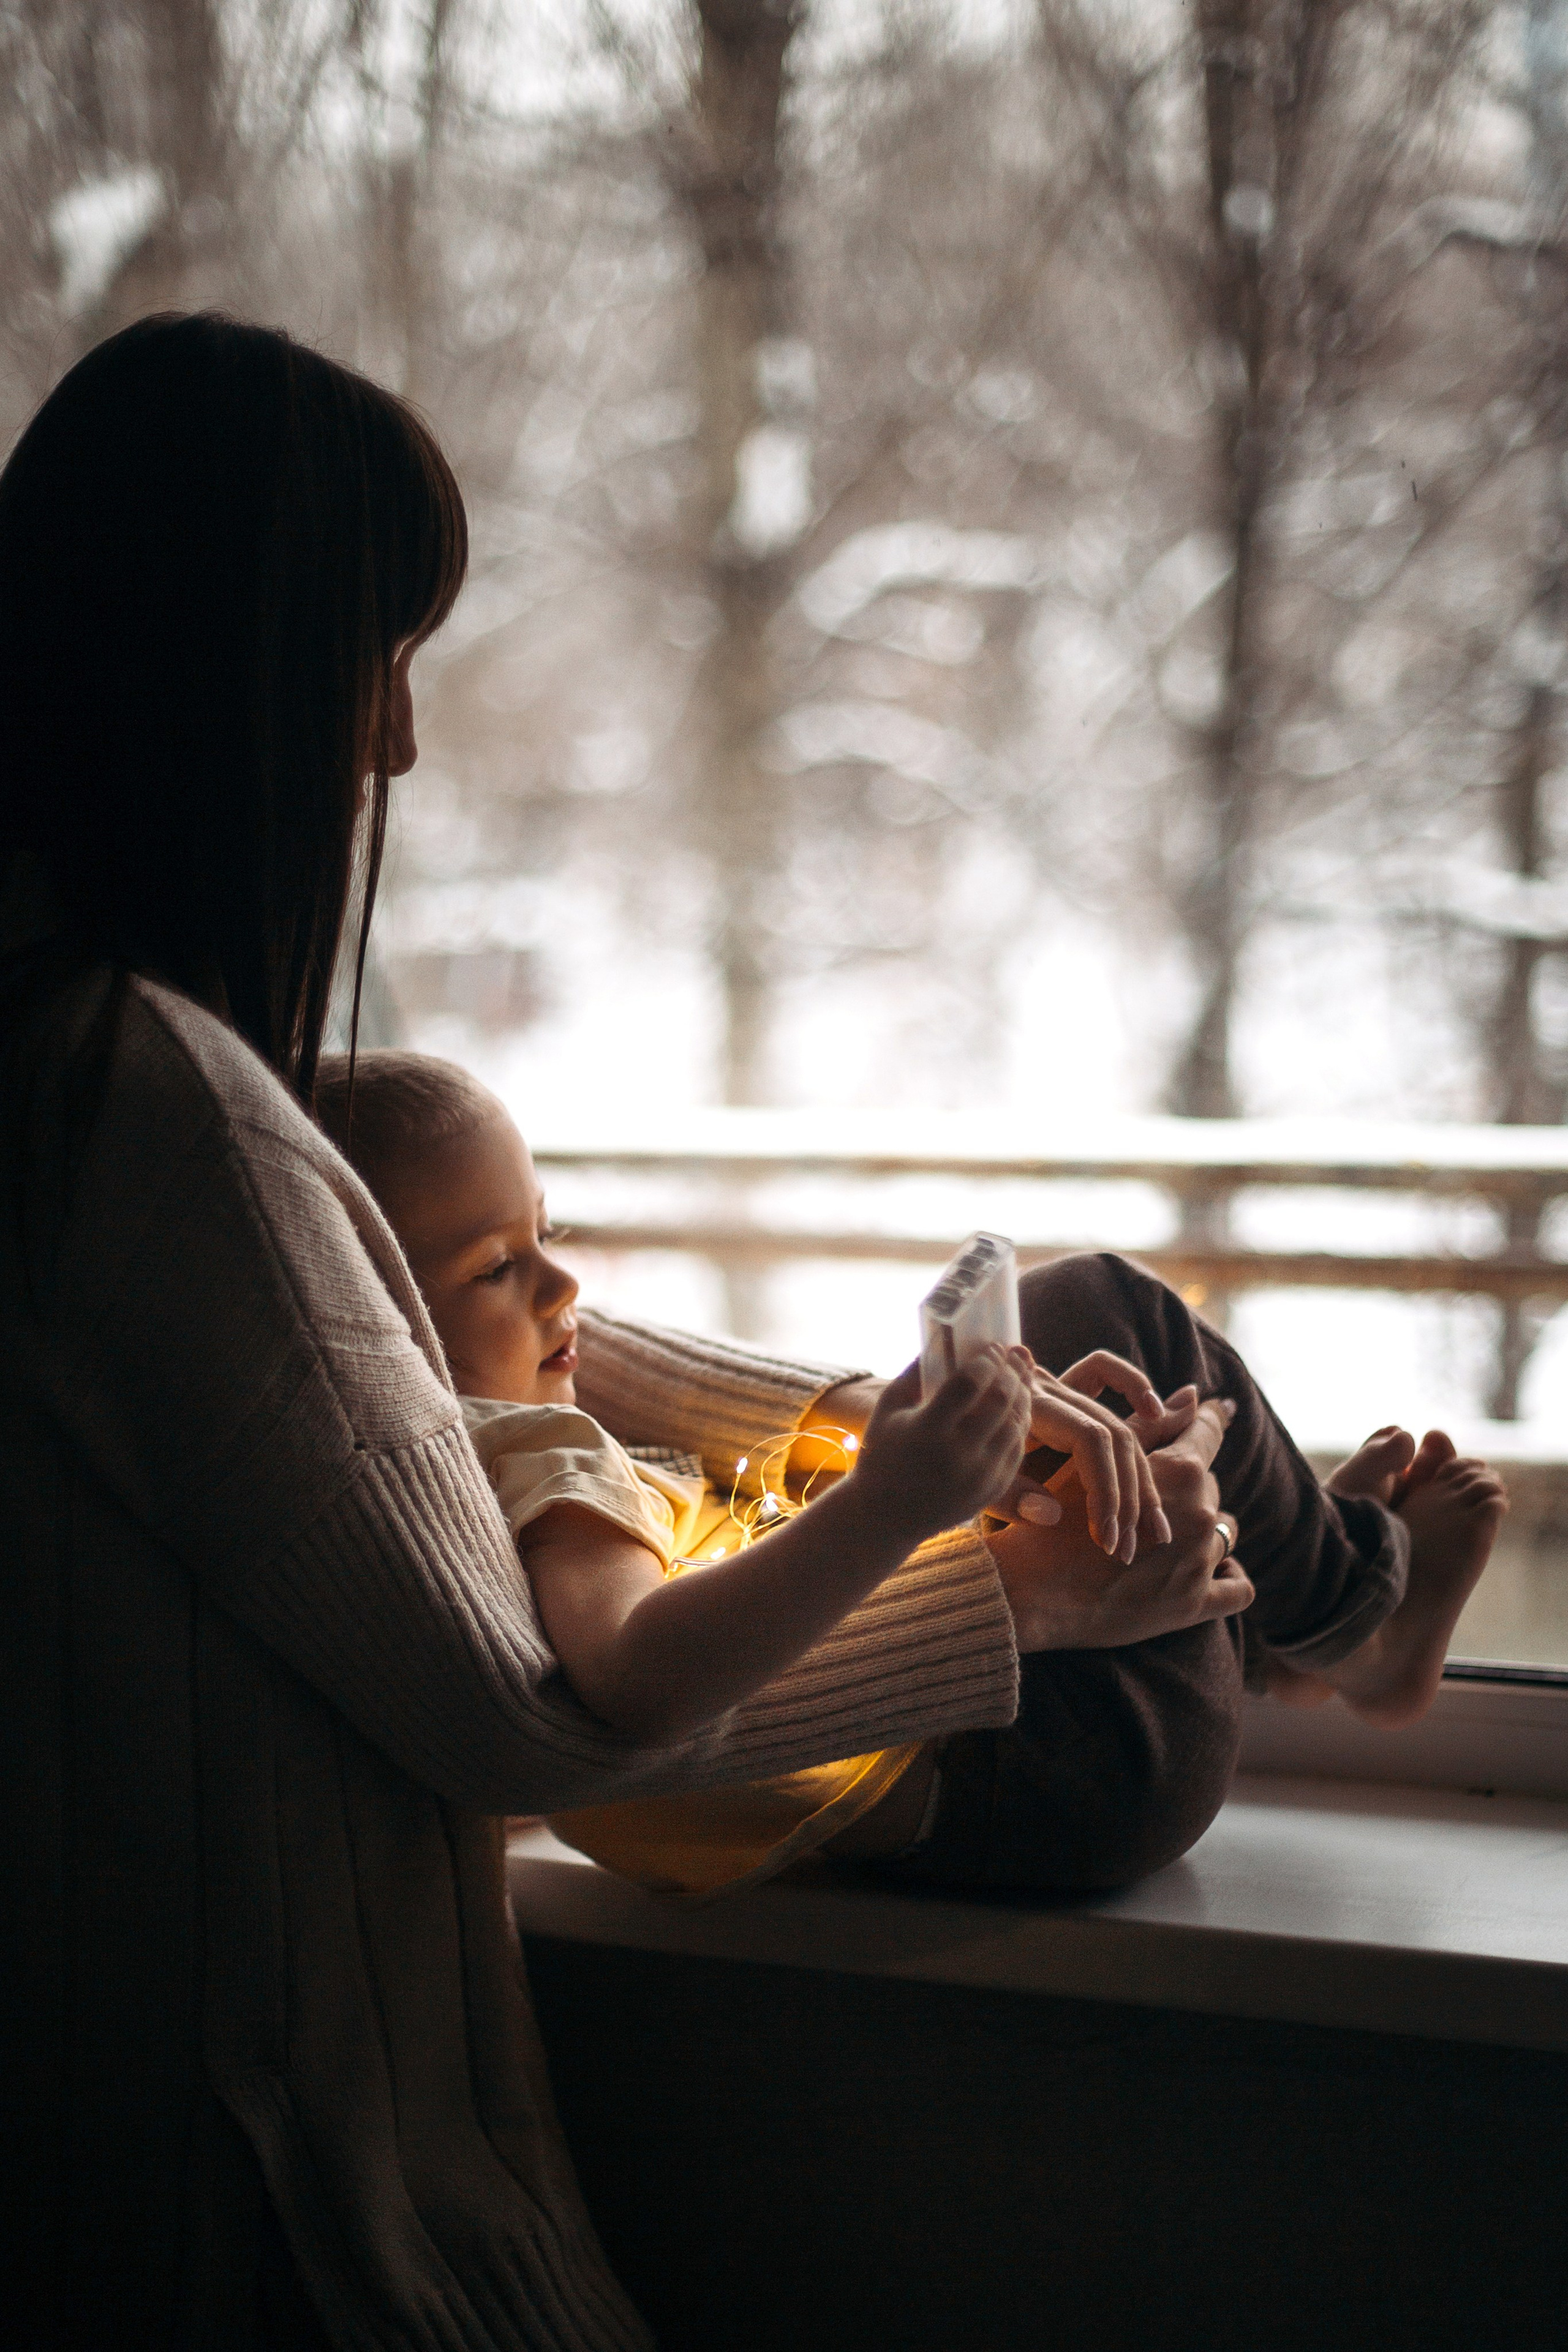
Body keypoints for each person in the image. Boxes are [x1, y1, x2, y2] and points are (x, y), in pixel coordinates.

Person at [0, 313, 1260, 2352]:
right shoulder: (141, 1101)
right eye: (370, 655)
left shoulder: (99, 1070)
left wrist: (849, 1407)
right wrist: (999, 1594)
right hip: (271, 2212)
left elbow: (381, 1345)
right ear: (199, 670)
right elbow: (534, 1704)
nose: (391, 745)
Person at [313, 1054, 1507, 1904]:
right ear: (369, 1323)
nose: (564, 1292)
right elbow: (635, 1676)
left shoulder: (440, 1458)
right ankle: (1354, 1616)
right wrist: (896, 1502)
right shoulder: (528, 1453)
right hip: (1049, 1777)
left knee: (1081, 1390)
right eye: (495, 1268)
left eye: (547, 1237)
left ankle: (1284, 1632)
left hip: (1022, 1773)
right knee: (1106, 1308)